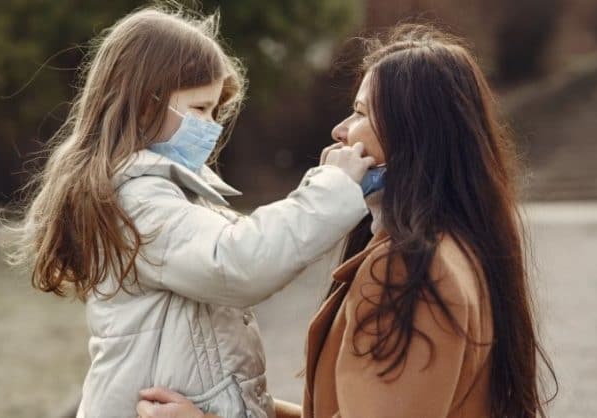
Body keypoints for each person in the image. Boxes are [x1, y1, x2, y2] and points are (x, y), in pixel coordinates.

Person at [135, 24, 556, 418]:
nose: (340, 130)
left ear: (414, 135)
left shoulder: (408, 268)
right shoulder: (457, 248)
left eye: (360, 113)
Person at [6, 6, 380, 418]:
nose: (212, 125)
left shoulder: (172, 193)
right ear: (144, 105)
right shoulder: (137, 199)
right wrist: (331, 189)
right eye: (200, 109)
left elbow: (248, 242)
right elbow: (238, 262)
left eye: (214, 111)